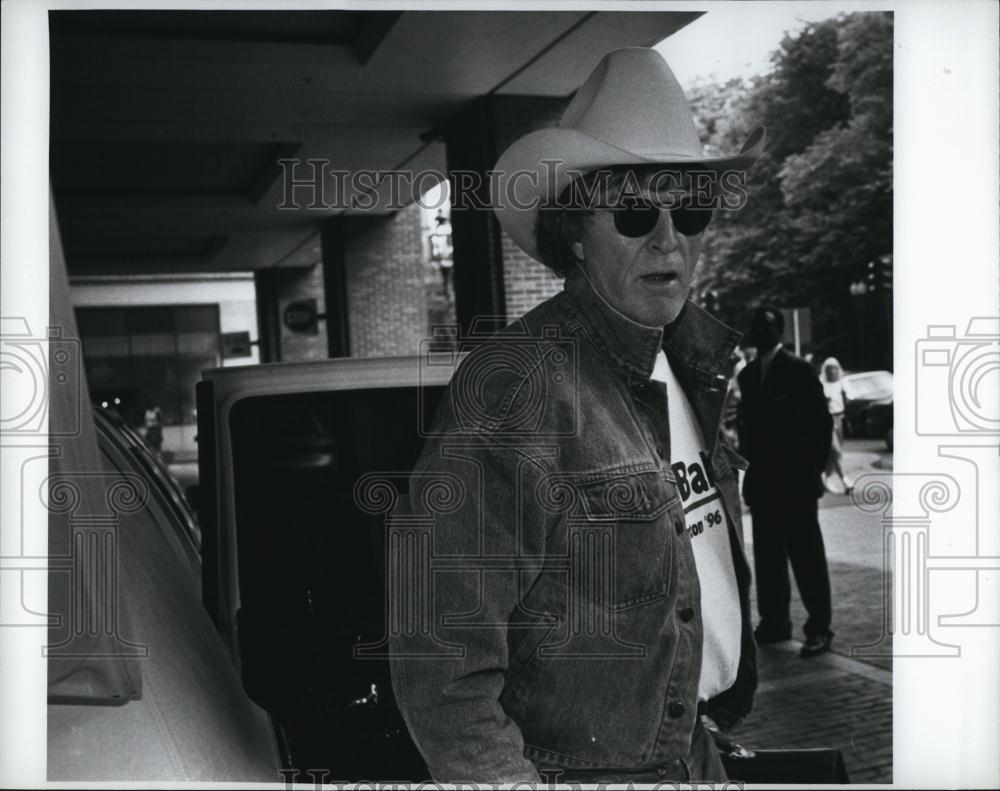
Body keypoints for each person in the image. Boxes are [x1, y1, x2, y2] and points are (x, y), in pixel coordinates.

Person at [389, 48, 765, 782]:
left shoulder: (692, 362)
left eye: (688, 211)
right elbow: (441, 673)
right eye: (633, 213)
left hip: (696, 755)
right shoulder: (514, 391)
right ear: (573, 234)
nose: (669, 240)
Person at [737, 308, 834, 658]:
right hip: (764, 485)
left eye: (766, 325)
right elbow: (748, 431)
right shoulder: (748, 376)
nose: (759, 331)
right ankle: (775, 621)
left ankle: (819, 627)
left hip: (796, 484)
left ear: (779, 330)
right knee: (768, 557)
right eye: (755, 326)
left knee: (807, 556)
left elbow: (821, 426)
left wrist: (811, 473)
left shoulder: (798, 371)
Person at [820, 356, 853, 494]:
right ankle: (845, 480)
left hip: (840, 418)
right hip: (827, 419)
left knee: (832, 454)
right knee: (836, 450)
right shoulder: (821, 382)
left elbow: (849, 399)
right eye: (829, 368)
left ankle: (826, 479)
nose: (832, 371)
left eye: (834, 367)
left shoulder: (842, 382)